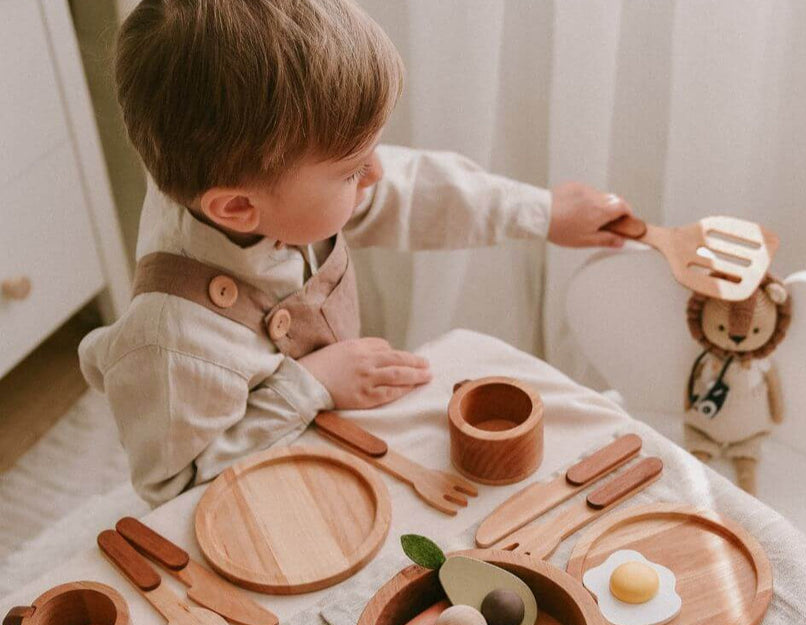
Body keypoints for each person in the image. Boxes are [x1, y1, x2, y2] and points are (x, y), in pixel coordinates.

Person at [81, 0, 633, 505]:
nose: (374, 172)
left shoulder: (267, 189)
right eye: (351, 169)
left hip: (328, 438)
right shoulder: (172, 340)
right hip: (260, 504)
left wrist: (542, 212)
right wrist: (311, 384)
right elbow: (173, 490)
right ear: (236, 210)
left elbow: (414, 191)